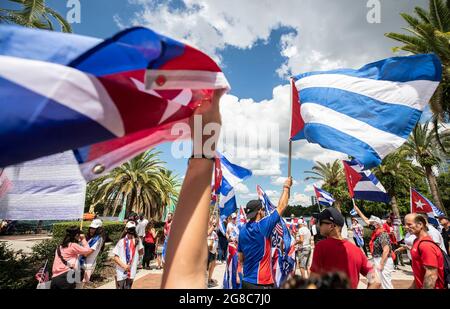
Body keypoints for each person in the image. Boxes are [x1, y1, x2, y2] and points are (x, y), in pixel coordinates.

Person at [237, 177, 293, 289]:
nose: (264, 211)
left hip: (246, 281)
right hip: (261, 283)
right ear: (259, 212)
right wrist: (286, 187)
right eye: (262, 209)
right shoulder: (262, 227)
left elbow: (241, 258)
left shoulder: (242, 230)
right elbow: (281, 207)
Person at [310, 208, 380, 289]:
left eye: (320, 222)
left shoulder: (321, 246)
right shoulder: (356, 250)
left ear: (331, 226)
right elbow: (376, 281)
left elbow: (313, 280)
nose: (318, 225)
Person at [353, 205, 394, 289]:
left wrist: (381, 264)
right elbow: (366, 220)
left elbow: (386, 250)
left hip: (384, 260)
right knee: (374, 281)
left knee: (386, 283)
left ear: (376, 224)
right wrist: (358, 210)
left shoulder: (382, 234)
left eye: (372, 223)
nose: (370, 224)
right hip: (377, 259)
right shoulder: (377, 232)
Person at [405, 213, 445, 289]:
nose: (406, 227)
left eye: (409, 224)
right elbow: (419, 274)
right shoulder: (417, 241)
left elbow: (431, 275)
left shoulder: (426, 245)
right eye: (405, 224)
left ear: (420, 224)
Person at [112, 221, 144, 289]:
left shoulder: (137, 241)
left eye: (133, 229)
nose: (131, 231)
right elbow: (115, 257)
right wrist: (124, 266)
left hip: (131, 270)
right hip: (121, 270)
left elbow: (141, 253)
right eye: (131, 229)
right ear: (126, 229)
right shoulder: (121, 241)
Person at [79, 219, 105, 286]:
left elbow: (87, 253)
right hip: (82, 264)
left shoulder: (98, 239)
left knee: (82, 285)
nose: (91, 230)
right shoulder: (92, 238)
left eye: (94, 228)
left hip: (87, 266)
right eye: (91, 228)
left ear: (99, 229)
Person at [207, 216, 219, 287]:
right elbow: (208, 233)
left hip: (213, 250)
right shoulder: (207, 226)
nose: (213, 220)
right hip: (208, 249)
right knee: (207, 266)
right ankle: (206, 281)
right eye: (212, 218)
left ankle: (209, 279)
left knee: (213, 265)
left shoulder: (212, 227)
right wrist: (213, 225)